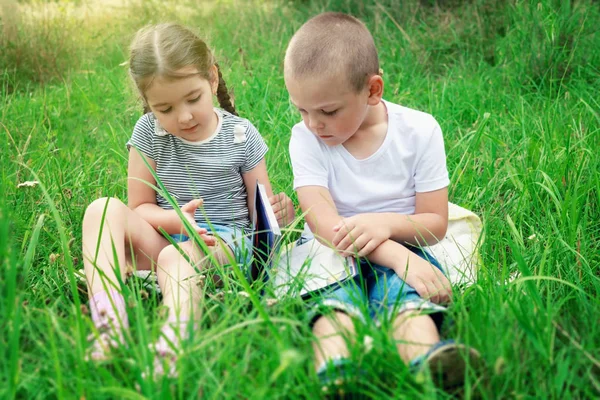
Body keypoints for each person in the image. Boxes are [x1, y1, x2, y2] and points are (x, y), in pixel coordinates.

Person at [81, 22, 295, 377]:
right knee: (101, 210)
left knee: (174, 257)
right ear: (147, 103)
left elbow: (261, 222)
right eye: (164, 108)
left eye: (193, 99)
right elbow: (139, 208)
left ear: (212, 79)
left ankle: (175, 342)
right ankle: (109, 322)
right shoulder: (148, 133)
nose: (182, 116)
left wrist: (279, 215)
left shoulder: (241, 136)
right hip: (168, 235)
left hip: (223, 244)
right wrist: (176, 220)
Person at [284, 12, 480, 393]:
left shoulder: (420, 131)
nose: (313, 124)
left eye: (327, 111)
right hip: (331, 248)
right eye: (301, 110)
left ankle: (430, 360)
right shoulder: (305, 138)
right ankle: (337, 370)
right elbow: (322, 219)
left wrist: (388, 229)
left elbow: (434, 221)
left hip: (406, 241)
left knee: (406, 298)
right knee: (334, 301)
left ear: (373, 90)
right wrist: (392, 253)